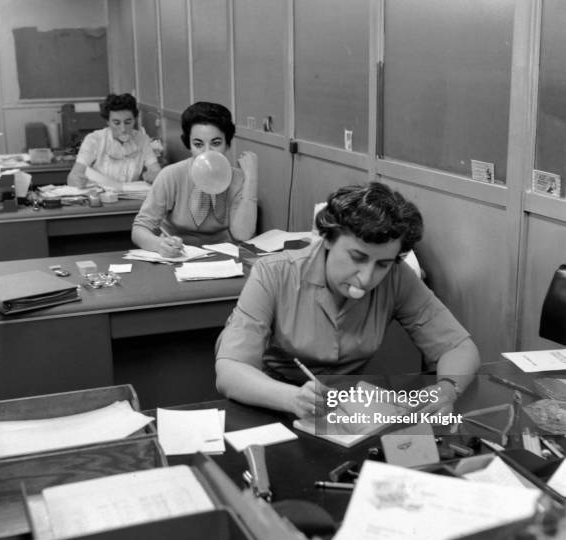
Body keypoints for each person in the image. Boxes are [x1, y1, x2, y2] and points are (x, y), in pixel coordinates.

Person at [215, 182, 480, 419]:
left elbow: (458, 347)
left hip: (345, 412)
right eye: (358, 257)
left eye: (382, 264)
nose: (366, 278)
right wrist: (291, 398)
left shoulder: (397, 277)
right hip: (271, 402)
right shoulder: (273, 273)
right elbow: (230, 370)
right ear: (328, 238)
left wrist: (447, 390)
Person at [131, 101, 257, 255]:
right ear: (189, 145)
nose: (207, 152)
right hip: (177, 256)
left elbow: (242, 234)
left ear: (227, 144)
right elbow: (139, 229)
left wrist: (251, 179)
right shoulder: (171, 175)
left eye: (216, 143)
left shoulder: (237, 178)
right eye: (198, 144)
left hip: (223, 257)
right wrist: (159, 244)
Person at [67, 93, 160, 187]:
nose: (123, 129)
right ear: (108, 122)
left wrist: (153, 175)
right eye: (117, 123)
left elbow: (156, 170)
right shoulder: (94, 139)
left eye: (128, 122)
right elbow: (73, 175)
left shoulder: (142, 140)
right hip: (100, 197)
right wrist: (77, 180)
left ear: (134, 120)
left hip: (129, 197)